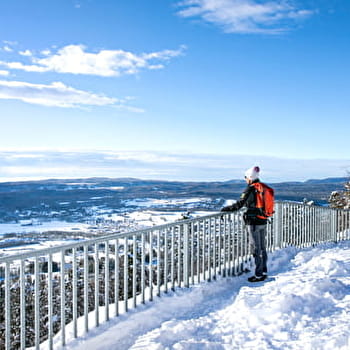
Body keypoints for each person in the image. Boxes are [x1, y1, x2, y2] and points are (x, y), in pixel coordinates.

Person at [221, 166, 268, 282]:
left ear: (250, 178)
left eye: (246, 177)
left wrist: (225, 209)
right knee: (262, 247)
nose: (245, 179)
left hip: (253, 222)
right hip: (263, 220)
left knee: (256, 248)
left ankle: (258, 275)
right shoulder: (263, 188)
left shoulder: (250, 189)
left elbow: (239, 205)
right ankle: (264, 271)